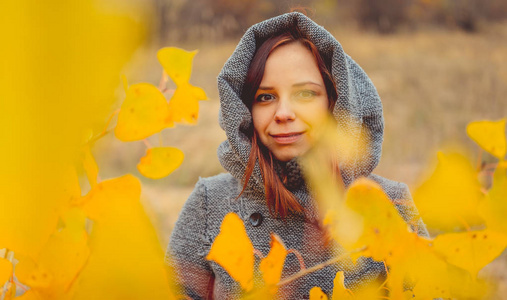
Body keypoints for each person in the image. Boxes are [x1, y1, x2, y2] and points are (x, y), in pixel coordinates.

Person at [166, 12, 428, 299]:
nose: (283, 114)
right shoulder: (210, 204)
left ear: (335, 101)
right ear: (243, 110)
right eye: (265, 97)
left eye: (305, 94)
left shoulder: (390, 205)